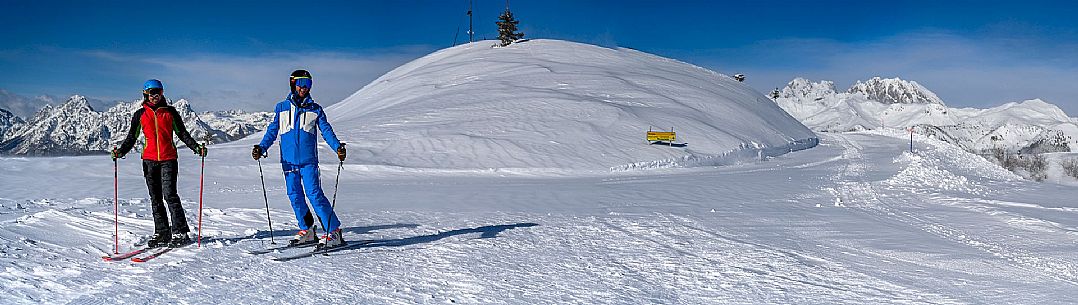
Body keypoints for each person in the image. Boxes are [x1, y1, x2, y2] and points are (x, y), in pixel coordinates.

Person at [253, 69, 347, 249]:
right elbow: (273, 131)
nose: (304, 87)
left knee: (315, 195)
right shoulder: (281, 108)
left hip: (308, 162)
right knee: (294, 196)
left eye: (308, 84)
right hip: (288, 163)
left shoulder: (316, 109)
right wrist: (262, 147)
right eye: (301, 83)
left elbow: (326, 131)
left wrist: (337, 147)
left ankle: (334, 231)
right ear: (293, 84)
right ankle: (307, 229)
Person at [112, 79, 207, 248]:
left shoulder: (170, 113)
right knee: (155, 198)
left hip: (168, 159)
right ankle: (162, 232)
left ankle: (180, 231)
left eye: (159, 93)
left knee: (170, 195)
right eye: (152, 93)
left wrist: (196, 148)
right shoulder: (140, 115)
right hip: (149, 161)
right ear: (145, 95)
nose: (155, 96)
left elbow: (182, 133)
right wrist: (121, 152)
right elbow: (131, 137)